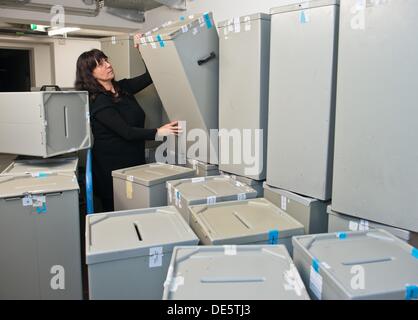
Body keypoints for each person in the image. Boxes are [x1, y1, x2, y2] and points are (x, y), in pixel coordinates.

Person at [75, 49, 180, 212]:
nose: (108, 65)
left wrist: (142, 49)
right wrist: (158, 132)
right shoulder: (97, 101)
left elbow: (150, 76)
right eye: (100, 64)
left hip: (134, 161)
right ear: (90, 74)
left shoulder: (122, 87)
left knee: (136, 207)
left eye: (106, 60)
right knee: (118, 213)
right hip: (110, 168)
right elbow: (127, 132)